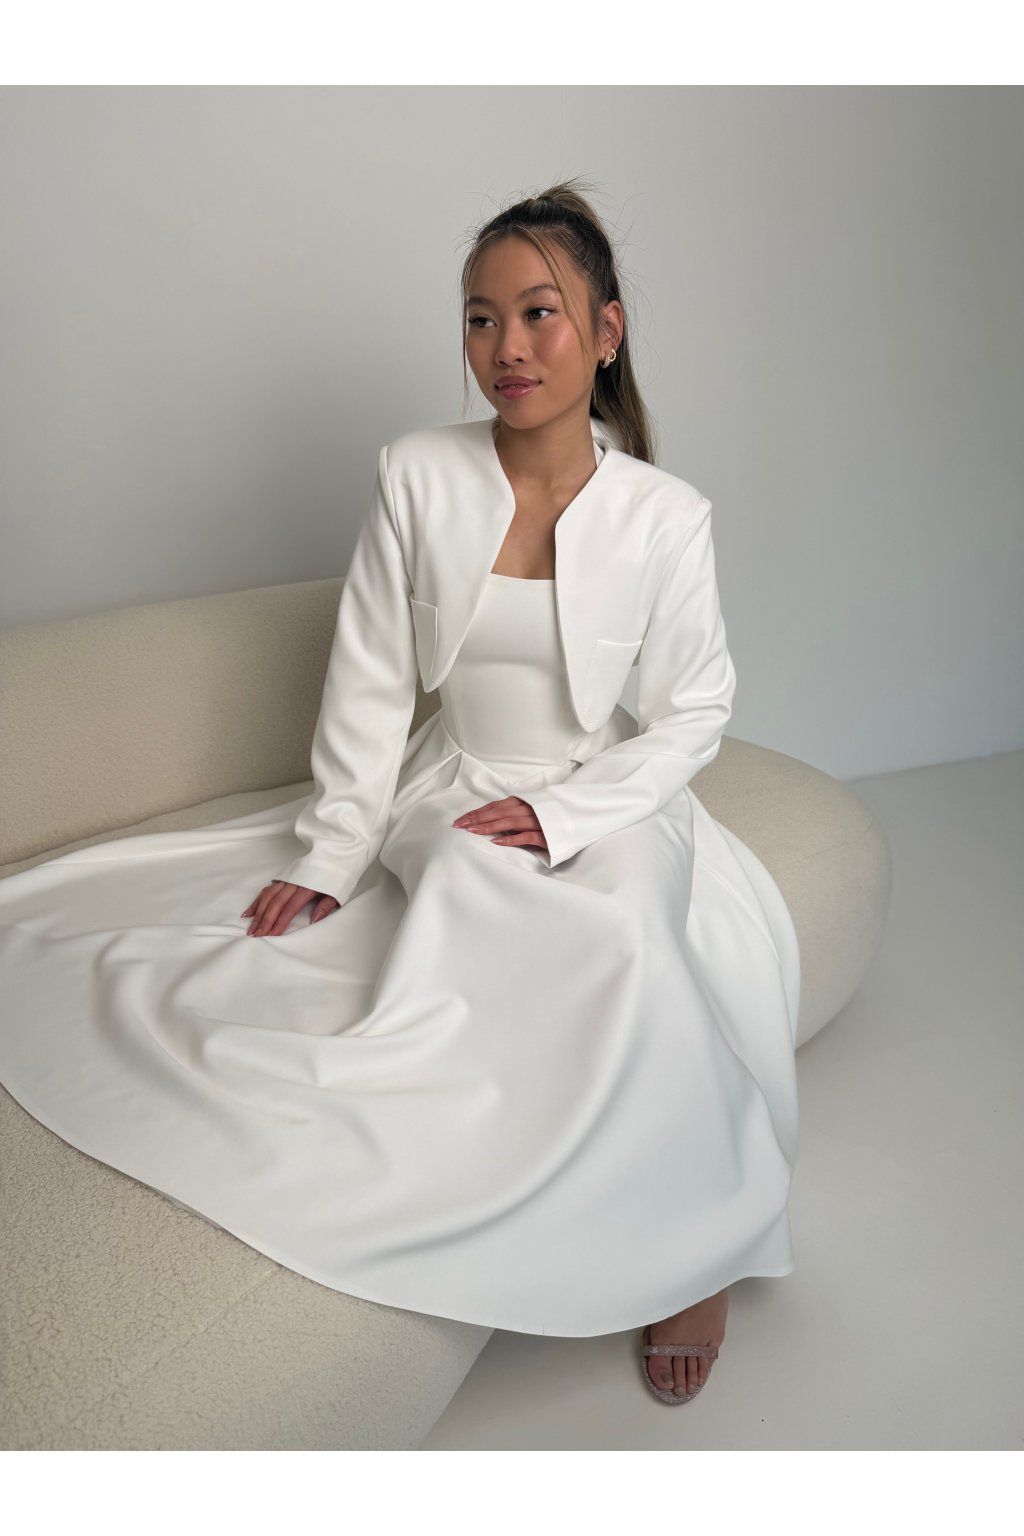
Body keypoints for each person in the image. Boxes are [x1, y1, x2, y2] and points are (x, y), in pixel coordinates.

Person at [0, 179, 800, 1406]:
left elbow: (694, 708)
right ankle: (493, 1171)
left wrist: (571, 815)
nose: (506, 346)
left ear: (605, 331)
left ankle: (699, 1245)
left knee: (635, 928)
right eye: (480, 319)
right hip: (461, 778)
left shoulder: (665, 517)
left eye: (537, 313)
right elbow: (370, 678)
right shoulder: (415, 474)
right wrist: (332, 853)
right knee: (475, 889)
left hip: (609, 791)